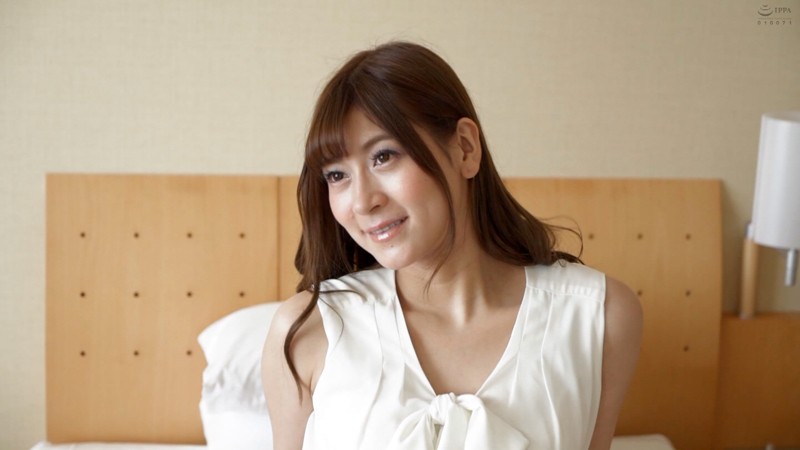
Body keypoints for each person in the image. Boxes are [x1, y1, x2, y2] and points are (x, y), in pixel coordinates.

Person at [261, 41, 642, 450]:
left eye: (384, 156)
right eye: (336, 175)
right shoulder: (308, 329)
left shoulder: (599, 316)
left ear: (465, 148)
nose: (362, 202)